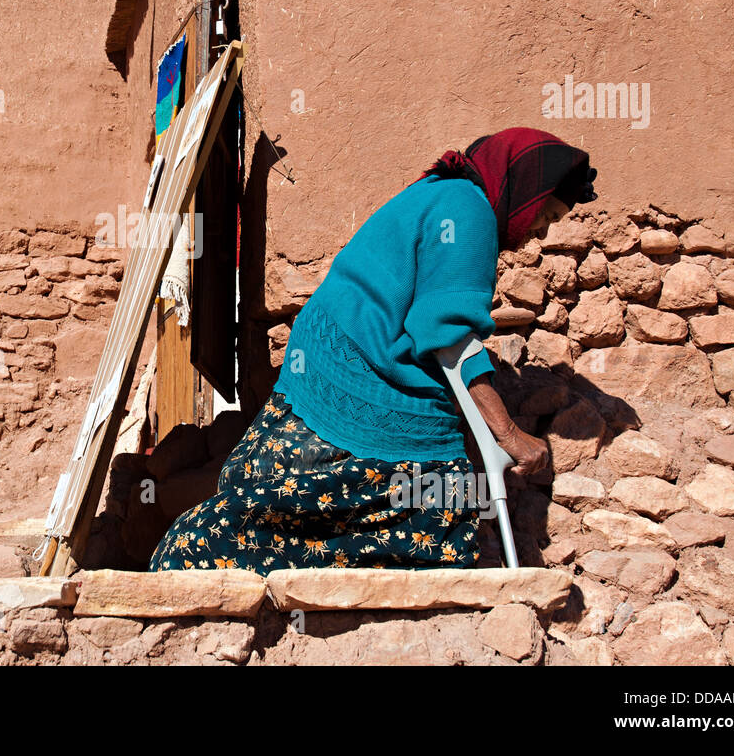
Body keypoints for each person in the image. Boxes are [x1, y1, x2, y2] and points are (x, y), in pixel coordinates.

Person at [148, 127, 598, 573]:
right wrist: (508, 435)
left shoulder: (442, 192)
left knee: (269, 488)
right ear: (522, 192)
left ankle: (197, 552)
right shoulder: (469, 211)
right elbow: (449, 333)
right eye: (547, 215)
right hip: (361, 372)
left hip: (324, 359)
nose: (541, 232)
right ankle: (205, 555)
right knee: (441, 499)